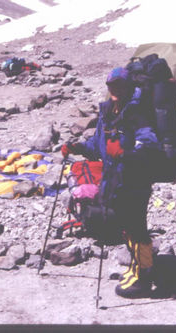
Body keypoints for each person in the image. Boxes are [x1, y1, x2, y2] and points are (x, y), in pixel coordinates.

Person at [61, 67, 160, 298]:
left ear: (128, 87)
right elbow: (97, 147)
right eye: (111, 85)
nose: (115, 89)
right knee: (127, 227)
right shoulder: (109, 112)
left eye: (120, 85)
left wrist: (125, 153)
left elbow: (149, 143)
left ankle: (144, 277)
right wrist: (78, 147)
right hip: (114, 181)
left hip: (134, 181)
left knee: (137, 228)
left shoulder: (137, 113)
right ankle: (137, 268)